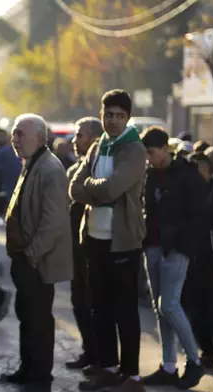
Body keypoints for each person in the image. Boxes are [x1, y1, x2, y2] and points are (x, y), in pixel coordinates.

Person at [70, 90, 147, 392]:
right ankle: (107, 367)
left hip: (122, 241)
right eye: (108, 114)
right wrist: (93, 188)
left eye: (119, 115)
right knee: (99, 307)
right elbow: (73, 187)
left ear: (127, 118)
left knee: (124, 310)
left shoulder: (133, 149)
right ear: (100, 114)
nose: (113, 120)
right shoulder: (98, 146)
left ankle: (132, 376)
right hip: (94, 237)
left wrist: (92, 187)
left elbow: (113, 189)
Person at [0, 114, 73, 390]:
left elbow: (52, 222)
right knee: (27, 316)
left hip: (37, 261)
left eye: (21, 134)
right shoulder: (32, 162)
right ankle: (28, 369)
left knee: (38, 318)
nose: (15, 139)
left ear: (40, 138)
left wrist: (32, 253)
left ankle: (39, 375)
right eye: (14, 133)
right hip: (26, 258)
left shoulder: (50, 168)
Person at [138, 127, 207, 389]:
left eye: (151, 153)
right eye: (145, 154)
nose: (148, 158)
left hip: (176, 248)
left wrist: (183, 244)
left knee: (169, 305)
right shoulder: (151, 173)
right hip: (153, 247)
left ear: (165, 149)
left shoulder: (187, 174)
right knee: (161, 309)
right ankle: (168, 365)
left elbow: (200, 216)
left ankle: (195, 360)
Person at [65, 117, 103, 371]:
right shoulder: (74, 169)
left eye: (80, 135)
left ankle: (101, 357)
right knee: (79, 301)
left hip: (93, 246)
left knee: (94, 304)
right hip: (74, 247)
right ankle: (89, 352)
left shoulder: (99, 169)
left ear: (93, 139)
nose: (74, 140)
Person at [183, 148, 213, 369]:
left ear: (208, 170)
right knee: (196, 311)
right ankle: (207, 352)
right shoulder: (188, 195)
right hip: (193, 260)